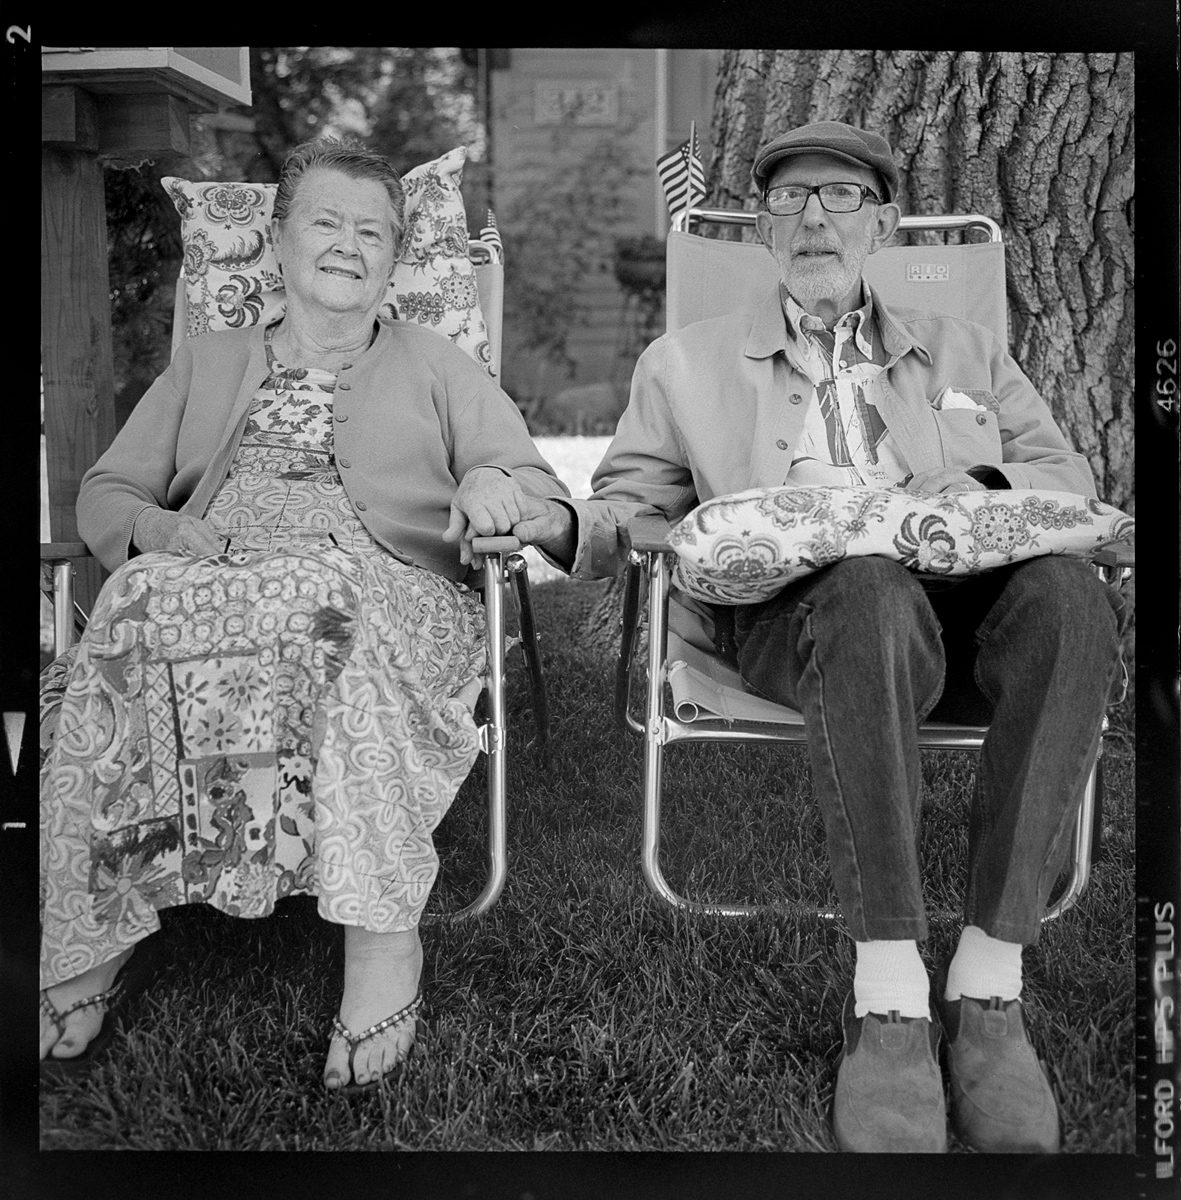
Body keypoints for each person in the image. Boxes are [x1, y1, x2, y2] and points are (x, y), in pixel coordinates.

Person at [511, 121, 1127, 1152]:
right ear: (760, 224)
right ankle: (887, 997)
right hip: (800, 617)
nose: (812, 216)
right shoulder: (686, 364)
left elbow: (1061, 481)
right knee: (865, 587)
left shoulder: (965, 349)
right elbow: (629, 499)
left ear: (878, 222)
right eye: (790, 197)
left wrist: (977, 482)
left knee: (1068, 598)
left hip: (968, 608)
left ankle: (987, 986)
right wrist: (567, 527)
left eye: (839, 197)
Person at [38, 136, 570, 1092]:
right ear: (278, 243)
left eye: (372, 232)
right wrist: (155, 533)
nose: (348, 244)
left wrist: (492, 481)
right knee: (127, 610)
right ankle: (97, 933)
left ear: (394, 261)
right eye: (325, 221)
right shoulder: (209, 360)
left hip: (385, 580)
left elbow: (526, 476)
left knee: (325, 606)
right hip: (217, 566)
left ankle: (379, 941)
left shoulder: (436, 361)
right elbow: (108, 491)